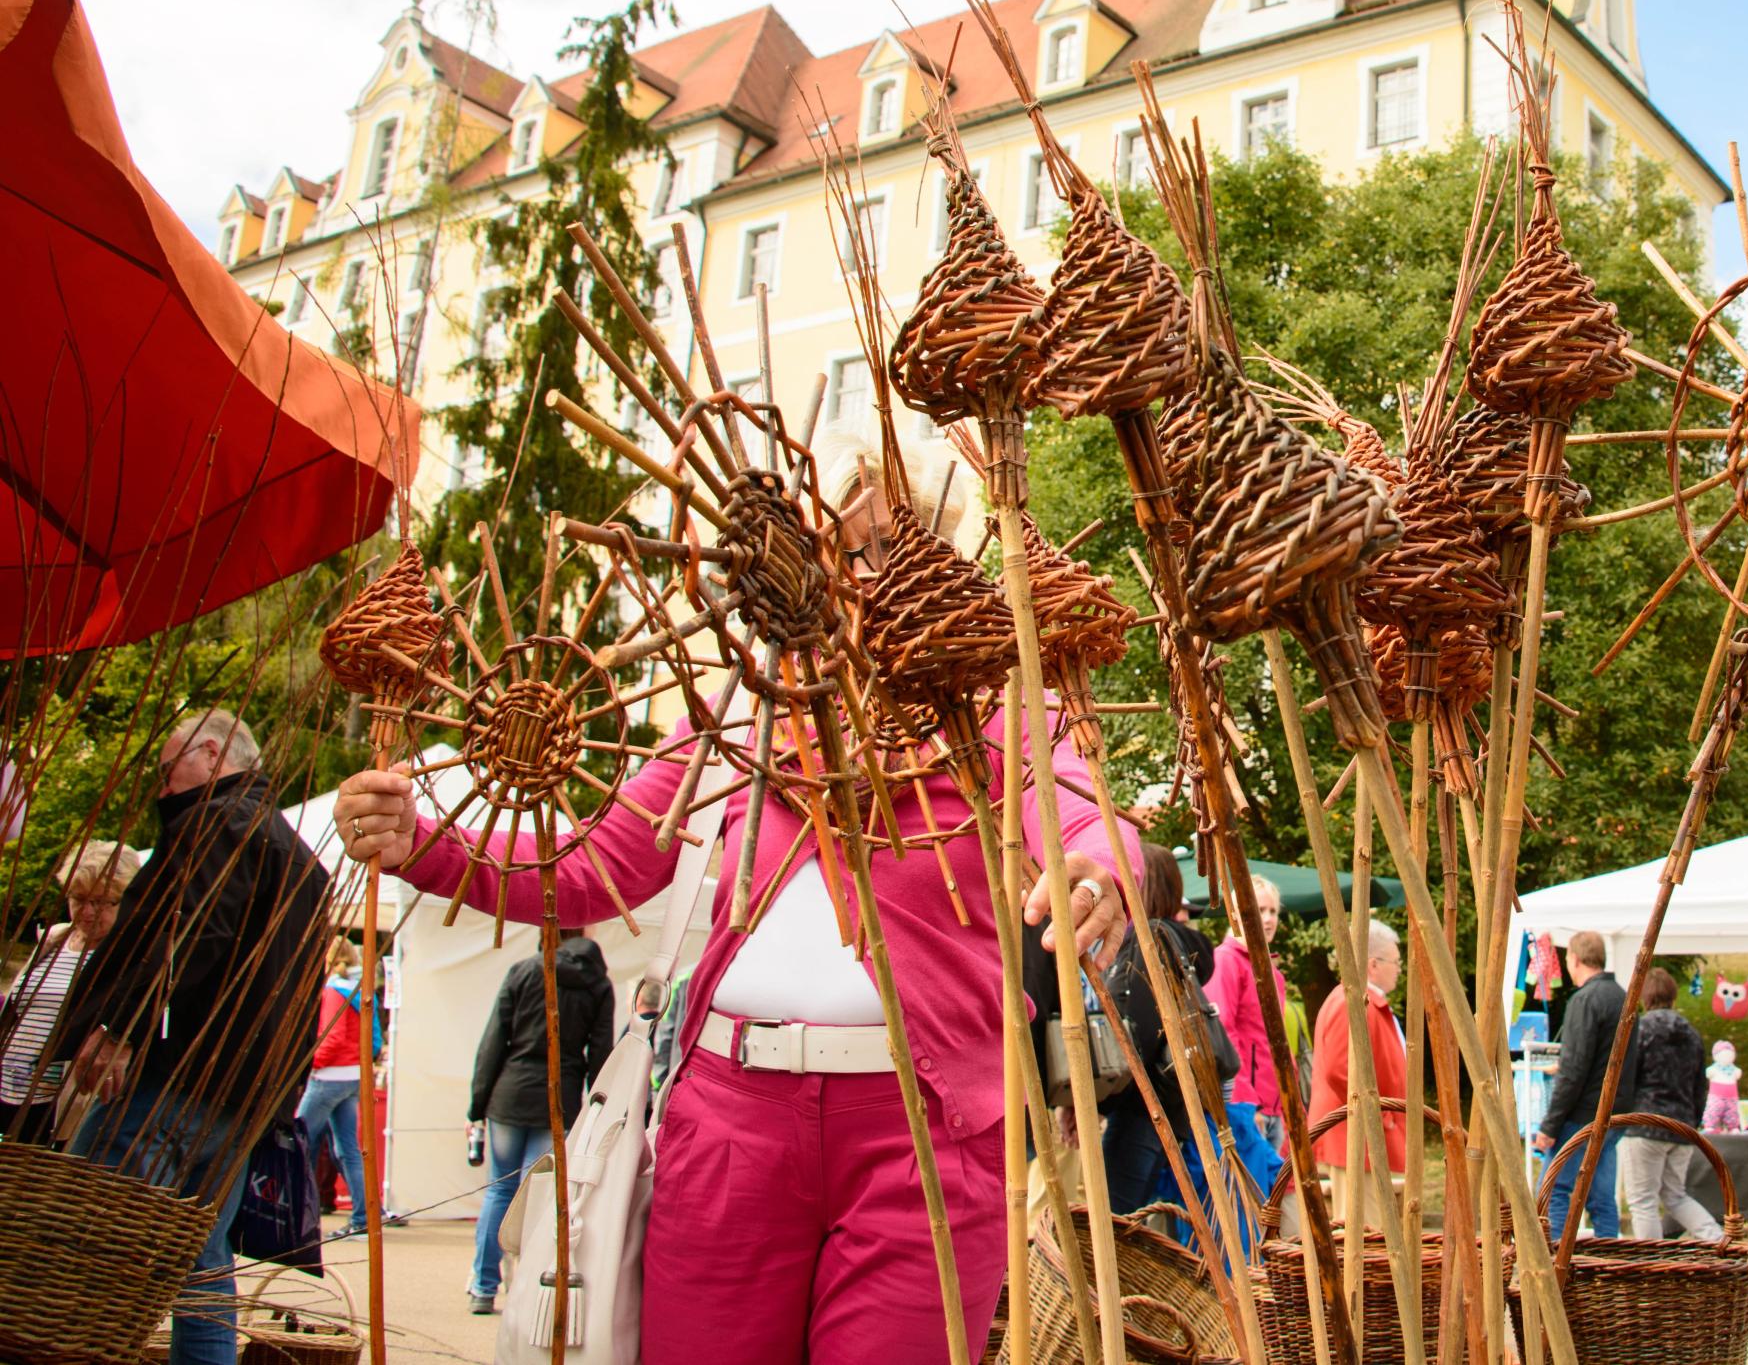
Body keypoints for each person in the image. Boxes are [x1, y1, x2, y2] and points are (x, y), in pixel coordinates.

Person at [332, 433, 1132, 1363]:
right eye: (839, 552)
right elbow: (592, 867)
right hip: (730, 1121)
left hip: (927, 1132)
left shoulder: (987, 706)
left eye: (889, 550)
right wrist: (423, 846)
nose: (863, 578)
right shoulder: (741, 716)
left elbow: (1073, 804)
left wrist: (1096, 869)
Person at [61, 709, 330, 1365]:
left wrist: (120, 1024)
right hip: (239, 1096)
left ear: (211, 753)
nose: (161, 788)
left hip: (182, 1079)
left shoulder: (220, 824)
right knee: (199, 1264)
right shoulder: (295, 854)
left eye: (166, 768)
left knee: (88, 1244)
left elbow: (195, 938)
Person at [464, 931, 617, 1314]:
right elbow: (600, 1052)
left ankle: (484, 1286)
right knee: (542, 1199)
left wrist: (476, 1106)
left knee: (499, 1191)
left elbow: (494, 1041)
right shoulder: (598, 985)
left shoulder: (525, 971)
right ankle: (529, 1292)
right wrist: (597, 1109)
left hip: (509, 1094)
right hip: (559, 1101)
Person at [0, 839, 141, 1140]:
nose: (87, 912)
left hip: (56, 1106)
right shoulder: (54, 939)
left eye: (102, 901)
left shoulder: (125, 956)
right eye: (78, 899)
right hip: (7, 1093)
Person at [1099, 848, 1214, 1213]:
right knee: (1140, 1216)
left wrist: (1102, 1099)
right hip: (1175, 1104)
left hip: (1141, 1106)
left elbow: (1137, 1034)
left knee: (1116, 1223)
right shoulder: (1180, 943)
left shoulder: (1148, 942)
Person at [1306, 918, 1410, 1205]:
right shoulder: (1352, 1001)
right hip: (1357, 1139)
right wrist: (1379, 1114)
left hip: (1365, 1138)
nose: (1399, 970)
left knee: (1373, 1233)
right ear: (1373, 964)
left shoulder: (1362, 1001)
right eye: (1396, 962)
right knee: (1366, 1234)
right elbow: (1341, 1071)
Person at [1532, 930, 1625, 1241]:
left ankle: (1553, 1265)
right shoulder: (1623, 997)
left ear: (1574, 959)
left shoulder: (1584, 1000)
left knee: (1555, 1188)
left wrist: (1550, 1125)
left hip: (1581, 1115)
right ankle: (1610, 1263)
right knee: (1601, 1197)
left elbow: (1574, 1069)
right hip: (1615, 1113)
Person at [1619, 966, 1719, 1242]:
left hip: (1645, 1124)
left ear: (1644, 997)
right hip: (1682, 1125)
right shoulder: (1692, 1034)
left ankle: (1650, 1265)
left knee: (1643, 1201)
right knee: (1675, 1196)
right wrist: (1693, 1121)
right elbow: (1701, 1084)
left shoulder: (1639, 1029)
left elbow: (1626, 1077)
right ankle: (1717, 1240)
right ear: (1674, 996)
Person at [296, 937, 379, 1239]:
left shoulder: (334, 991)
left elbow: (331, 1037)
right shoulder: (358, 990)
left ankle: (295, 1212)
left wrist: (312, 1063)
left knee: (296, 1141)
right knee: (348, 1149)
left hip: (329, 1076)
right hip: (354, 1073)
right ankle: (364, 1216)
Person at [1207, 872, 1293, 1151]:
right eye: (1259, 910)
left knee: (1273, 1192)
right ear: (1237, 914)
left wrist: (1290, 1104)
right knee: (1247, 1192)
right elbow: (1223, 1034)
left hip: (1274, 1107)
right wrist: (1244, 1103)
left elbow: (1277, 1044)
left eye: (1273, 911)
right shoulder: (1227, 961)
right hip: (1246, 1105)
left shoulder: (1272, 974)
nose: (1268, 919)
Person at [1702, 1039, 1743, 1134]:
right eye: (1723, 1055)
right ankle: (1710, 1125)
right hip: (1716, 1096)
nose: (1726, 1057)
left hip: (1732, 1097)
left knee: (1732, 1112)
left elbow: (1738, 1074)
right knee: (1713, 1110)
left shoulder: (1735, 1071)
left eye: (1729, 1054)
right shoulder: (1712, 1070)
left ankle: (1733, 1126)